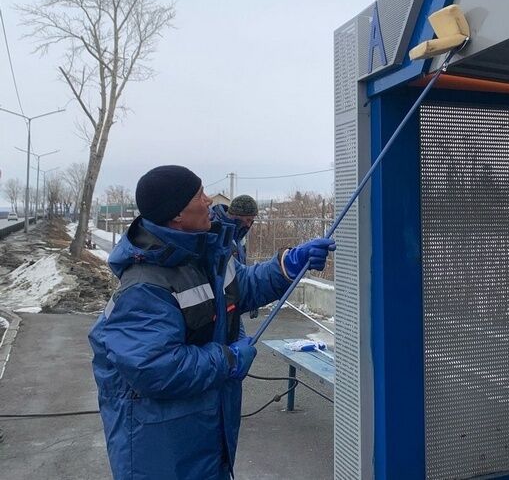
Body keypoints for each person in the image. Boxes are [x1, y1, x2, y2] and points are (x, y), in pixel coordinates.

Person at [88, 165, 335, 480]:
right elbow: (156, 367)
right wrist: (229, 360)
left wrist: (288, 265)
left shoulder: (201, 254)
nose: (208, 201)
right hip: (163, 449)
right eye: (199, 195)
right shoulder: (144, 286)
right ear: (177, 214)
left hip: (200, 431)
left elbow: (239, 288)